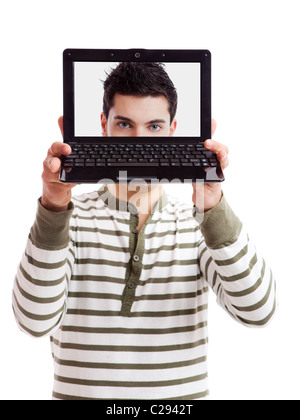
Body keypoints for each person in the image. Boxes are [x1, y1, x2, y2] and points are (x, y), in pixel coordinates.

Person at [12, 62, 276, 400]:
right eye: (125, 124)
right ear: (104, 126)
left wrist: (212, 205)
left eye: (154, 126)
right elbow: (33, 321)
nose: (138, 142)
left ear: (172, 131)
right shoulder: (67, 218)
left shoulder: (199, 223)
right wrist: (53, 204)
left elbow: (259, 311)